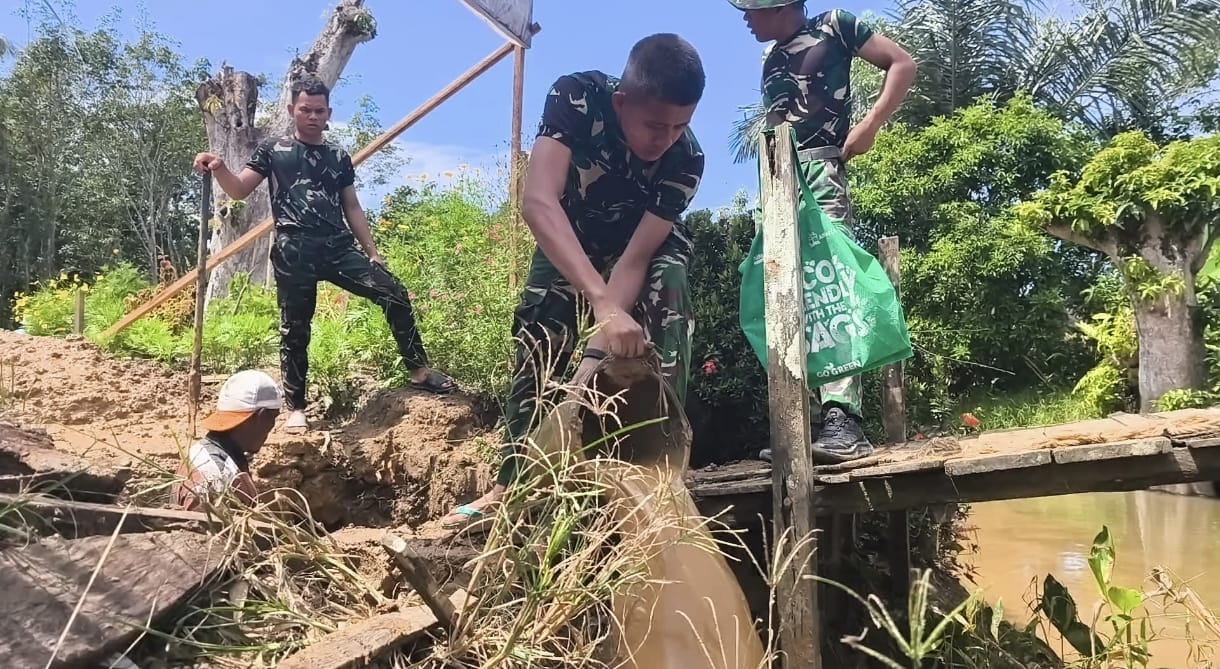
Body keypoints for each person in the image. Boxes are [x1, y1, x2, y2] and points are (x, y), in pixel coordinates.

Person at [440, 33, 707, 528]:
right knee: (541, 328)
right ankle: (511, 483)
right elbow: (538, 200)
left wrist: (600, 343)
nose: (664, 139)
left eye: (679, 126)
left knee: (669, 287)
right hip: (572, 234)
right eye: (654, 124)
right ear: (622, 102)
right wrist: (602, 307)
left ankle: (660, 469)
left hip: (640, 249)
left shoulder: (686, 160)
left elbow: (635, 259)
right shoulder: (576, 98)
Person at [192, 76, 453, 434]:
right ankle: (296, 407)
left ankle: (419, 371)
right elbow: (239, 190)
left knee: (393, 292)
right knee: (295, 329)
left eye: (319, 110)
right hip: (294, 249)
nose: (312, 116)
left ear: (328, 113)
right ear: (291, 110)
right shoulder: (273, 151)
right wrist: (219, 166)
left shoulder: (337, 157)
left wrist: (373, 253)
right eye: (305, 109)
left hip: (338, 247)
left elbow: (353, 206)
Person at [729, 0, 915, 463]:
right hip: (776, 183)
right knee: (785, 296)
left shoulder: (835, 25)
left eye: (751, 8)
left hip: (821, 172)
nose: (745, 17)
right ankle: (802, 423)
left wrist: (870, 125)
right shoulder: (772, 59)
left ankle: (843, 421)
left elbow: (902, 64)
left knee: (830, 288)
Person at [174, 369, 281, 511]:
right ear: (261, 417)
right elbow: (205, 531)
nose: (273, 426)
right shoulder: (217, 478)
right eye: (273, 417)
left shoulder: (200, 452)